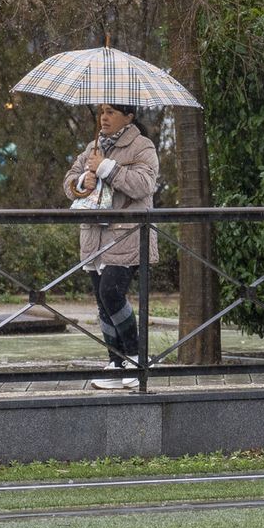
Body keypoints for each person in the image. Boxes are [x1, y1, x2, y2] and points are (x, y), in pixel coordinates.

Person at [63, 102, 159, 390]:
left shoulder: (142, 147)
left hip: (126, 234)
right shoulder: (92, 147)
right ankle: (115, 362)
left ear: (128, 117)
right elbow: (68, 182)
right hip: (94, 235)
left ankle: (135, 357)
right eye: (102, 112)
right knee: (102, 300)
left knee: (111, 292)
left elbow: (145, 185)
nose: (103, 118)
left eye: (111, 113)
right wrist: (83, 179)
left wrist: (106, 168)